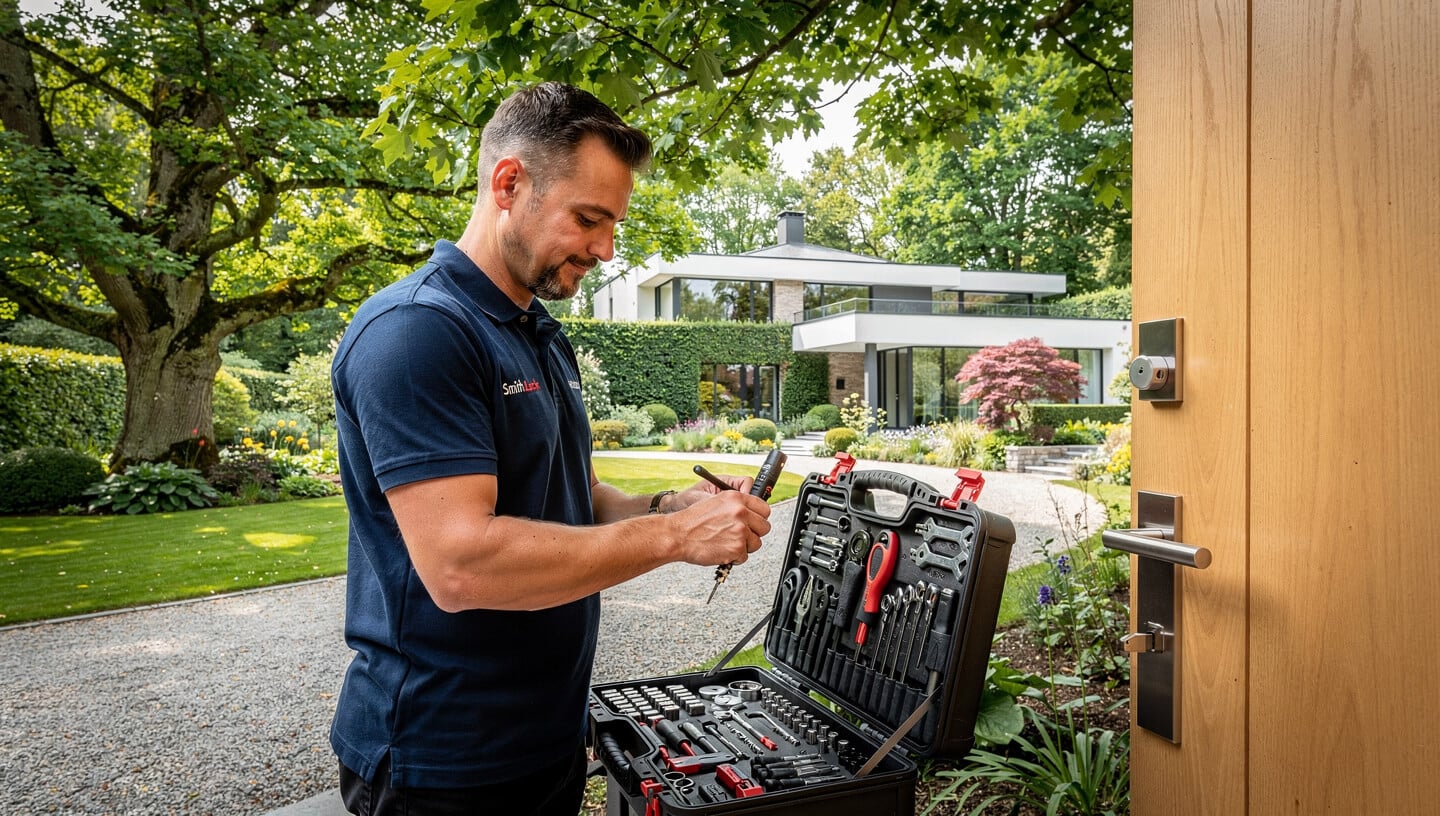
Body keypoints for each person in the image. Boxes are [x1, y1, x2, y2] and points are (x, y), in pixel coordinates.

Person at [328, 82, 773, 816]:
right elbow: (461, 567)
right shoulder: (417, 333)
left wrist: (670, 503)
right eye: (589, 219)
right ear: (509, 183)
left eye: (613, 226)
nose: (604, 249)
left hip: (548, 738)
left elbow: (577, 496)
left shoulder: (537, 331)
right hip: (444, 764)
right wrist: (671, 536)